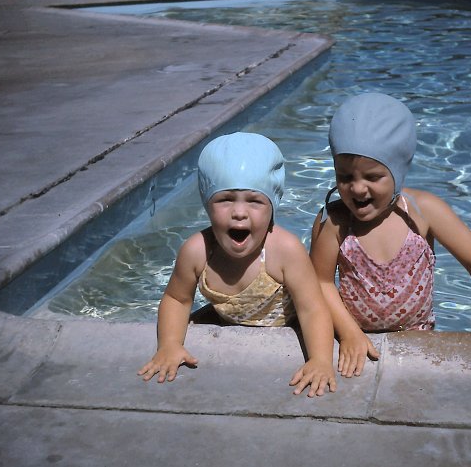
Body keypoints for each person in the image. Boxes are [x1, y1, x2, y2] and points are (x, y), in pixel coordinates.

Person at [309, 93, 471, 379]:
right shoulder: (335, 221)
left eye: (373, 177)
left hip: (418, 334)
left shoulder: (423, 212)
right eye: (345, 177)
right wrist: (350, 333)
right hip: (356, 334)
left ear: (398, 170)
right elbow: (320, 281)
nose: (357, 189)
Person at [138, 132, 337, 397]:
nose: (239, 212)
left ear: (272, 206)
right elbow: (176, 299)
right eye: (225, 199)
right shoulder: (197, 251)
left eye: (255, 201)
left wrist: (320, 360)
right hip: (228, 318)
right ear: (207, 204)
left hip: (287, 324)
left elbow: (313, 309)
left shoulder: (284, 251)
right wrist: (170, 344)